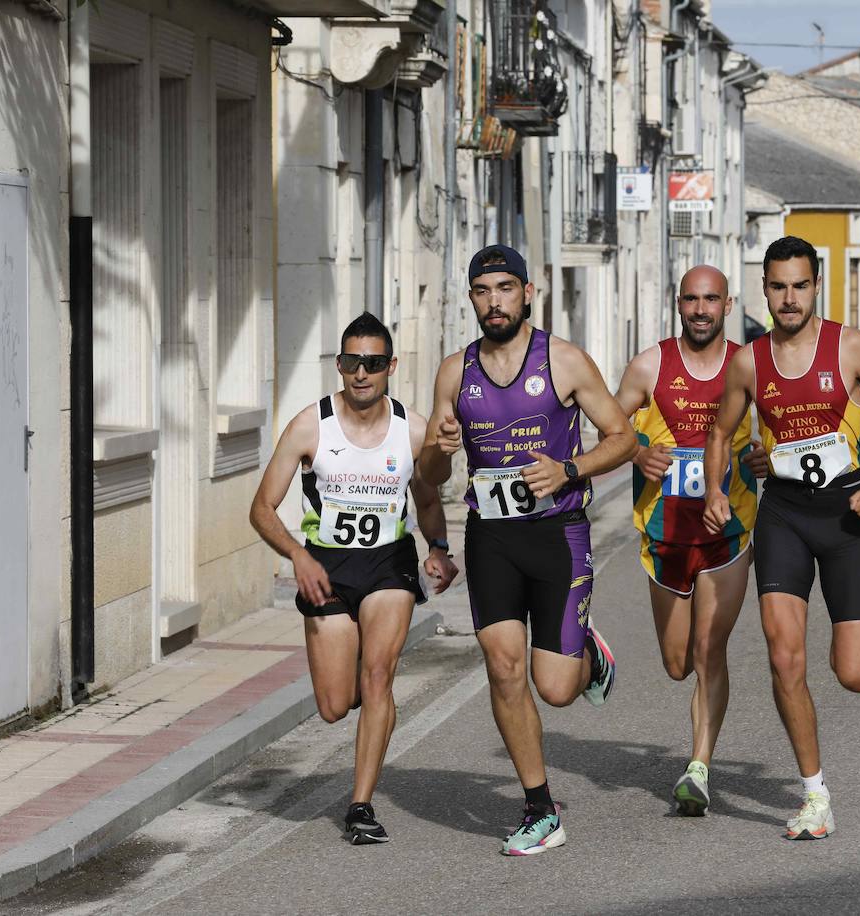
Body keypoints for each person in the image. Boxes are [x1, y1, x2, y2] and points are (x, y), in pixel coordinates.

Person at [703, 236, 860, 841]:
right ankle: (814, 795)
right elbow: (721, 433)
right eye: (778, 286)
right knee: (783, 654)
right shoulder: (748, 361)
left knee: (855, 675)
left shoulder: (848, 346)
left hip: (851, 516)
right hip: (785, 517)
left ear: (816, 286)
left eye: (800, 285)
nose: (789, 297)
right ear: (765, 290)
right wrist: (716, 491)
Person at [419, 244, 636, 855]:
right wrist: (442, 446)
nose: (495, 302)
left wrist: (569, 469)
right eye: (483, 291)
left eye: (505, 289)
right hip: (490, 535)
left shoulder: (564, 361)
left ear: (528, 292)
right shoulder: (453, 372)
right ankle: (540, 807)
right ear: (471, 299)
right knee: (503, 664)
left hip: (558, 533)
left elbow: (623, 437)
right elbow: (431, 473)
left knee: (557, 688)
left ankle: (587, 655)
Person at [249, 313, 459, 845]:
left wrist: (437, 547)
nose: (360, 373)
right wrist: (297, 555)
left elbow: (428, 496)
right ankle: (372, 702)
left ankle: (360, 806)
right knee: (334, 705)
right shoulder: (309, 425)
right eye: (350, 362)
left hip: (389, 562)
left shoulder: (412, 429)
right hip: (327, 567)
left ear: (390, 367)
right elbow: (262, 509)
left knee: (378, 677)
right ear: (339, 366)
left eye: (371, 363)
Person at [615, 265, 767, 816]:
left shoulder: (749, 365)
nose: (700, 310)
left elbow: (782, 429)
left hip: (728, 529)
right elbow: (608, 424)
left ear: (728, 305)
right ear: (678, 304)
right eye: (690, 300)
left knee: (709, 648)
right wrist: (636, 451)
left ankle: (699, 767)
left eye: (711, 300)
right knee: (676, 663)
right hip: (664, 531)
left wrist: (764, 457)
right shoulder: (650, 365)